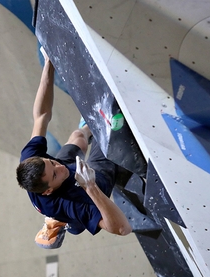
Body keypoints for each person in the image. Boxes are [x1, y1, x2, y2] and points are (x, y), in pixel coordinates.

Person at [16, 48, 132, 249]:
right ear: (48, 190)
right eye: (54, 174)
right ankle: (65, 223)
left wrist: (48, 66)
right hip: (92, 184)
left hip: (68, 183)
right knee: (108, 136)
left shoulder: (32, 160)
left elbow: (42, 115)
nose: (59, 167)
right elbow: (123, 229)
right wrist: (91, 187)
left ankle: (92, 123)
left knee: (78, 136)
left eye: (51, 162)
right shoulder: (71, 203)